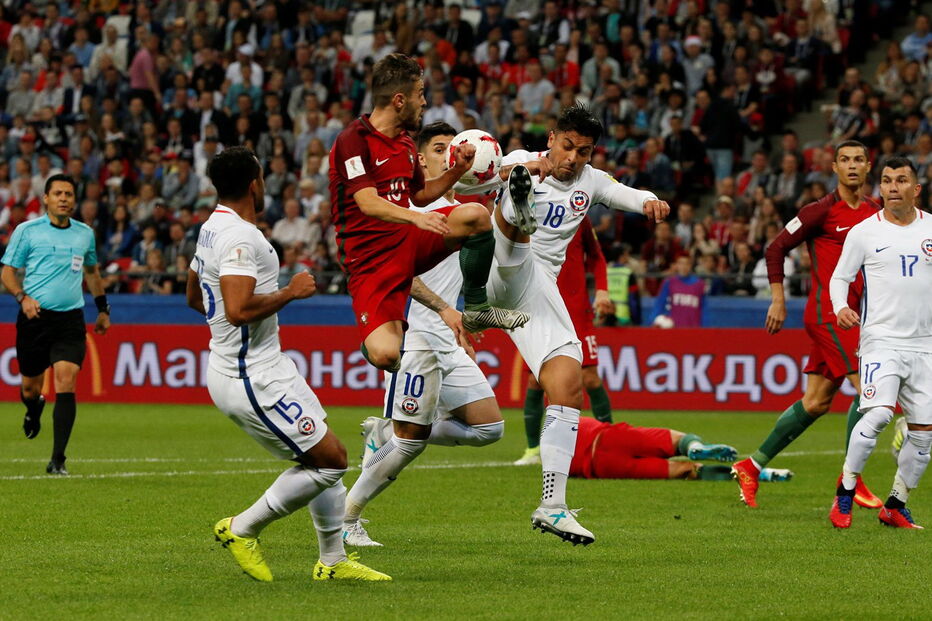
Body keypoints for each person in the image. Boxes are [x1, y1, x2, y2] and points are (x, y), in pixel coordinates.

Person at [186, 147, 389, 583]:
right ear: (255, 183)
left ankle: (332, 562)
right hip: (249, 374)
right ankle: (242, 528)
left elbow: (193, 296)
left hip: (263, 363)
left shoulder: (211, 228)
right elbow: (238, 310)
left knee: (325, 449)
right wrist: (290, 292)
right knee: (330, 461)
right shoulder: (240, 237)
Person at [469, 104, 669, 544]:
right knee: (513, 222)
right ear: (552, 138)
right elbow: (477, 175)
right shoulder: (521, 159)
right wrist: (512, 171)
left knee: (568, 379)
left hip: (534, 291)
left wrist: (651, 200)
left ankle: (553, 506)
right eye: (567, 147)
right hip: (493, 269)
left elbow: (626, 193)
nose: (573, 158)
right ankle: (518, 209)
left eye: (584, 151)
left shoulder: (590, 182)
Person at [341, 122, 505, 547]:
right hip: (415, 338)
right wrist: (446, 309)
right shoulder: (410, 213)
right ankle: (348, 518)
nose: (450, 153)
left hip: (450, 342)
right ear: (420, 161)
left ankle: (386, 432)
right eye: (439, 148)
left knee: (490, 429)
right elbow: (398, 276)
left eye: (455, 147)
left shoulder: (466, 213)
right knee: (409, 445)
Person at [327, 53, 528, 375]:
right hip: (369, 261)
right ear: (398, 100)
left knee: (475, 215)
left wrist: (456, 172)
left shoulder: (405, 144)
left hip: (407, 241)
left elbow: (419, 195)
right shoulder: (354, 140)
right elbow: (367, 202)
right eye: (420, 94)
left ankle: (476, 308)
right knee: (386, 356)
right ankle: (375, 339)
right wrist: (415, 218)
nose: (424, 103)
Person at [732, 140, 881, 508]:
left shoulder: (877, 212)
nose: (851, 166)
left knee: (815, 402)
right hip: (829, 314)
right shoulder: (819, 212)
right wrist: (778, 300)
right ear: (833, 168)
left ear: (868, 166)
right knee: (870, 390)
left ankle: (751, 465)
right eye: (844, 160)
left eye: (858, 160)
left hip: (856, 315)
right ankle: (852, 477)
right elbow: (775, 248)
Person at [828, 157, 932, 529]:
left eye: (901, 180)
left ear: (915, 189)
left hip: (926, 346)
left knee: (923, 435)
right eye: (886, 181)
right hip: (881, 340)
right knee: (878, 415)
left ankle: (896, 504)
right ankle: (845, 490)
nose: (891, 187)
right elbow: (840, 278)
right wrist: (840, 306)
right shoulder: (864, 232)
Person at [0, 174, 110, 475]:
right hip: (34, 319)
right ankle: (33, 409)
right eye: (58, 193)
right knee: (29, 388)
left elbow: (92, 272)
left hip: (70, 319)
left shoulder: (84, 233)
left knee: (66, 379)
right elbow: (7, 273)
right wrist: (23, 298)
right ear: (45, 198)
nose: (64, 198)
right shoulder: (27, 231)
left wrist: (103, 309)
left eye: (69, 194)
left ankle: (58, 459)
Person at [516, 216, 614, 466]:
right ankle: (533, 449)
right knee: (536, 380)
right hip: (539, 309)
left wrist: (601, 290)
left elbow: (596, 257)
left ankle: (610, 443)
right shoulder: (526, 212)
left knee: (589, 376)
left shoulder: (579, 215)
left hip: (577, 310)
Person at [570, 416, 794, 482]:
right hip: (610, 437)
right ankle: (695, 446)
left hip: (603, 466)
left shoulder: (556, 459)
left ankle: (763, 475)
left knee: (685, 470)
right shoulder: (571, 420)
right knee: (678, 440)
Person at [649, 253, 706, 327]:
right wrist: (652, 321)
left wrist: (705, 327)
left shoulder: (699, 284)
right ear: (676, 265)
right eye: (681, 263)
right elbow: (660, 303)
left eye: (687, 264)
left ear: (690, 265)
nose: (684, 267)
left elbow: (704, 308)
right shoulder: (669, 282)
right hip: (674, 329)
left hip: (693, 328)